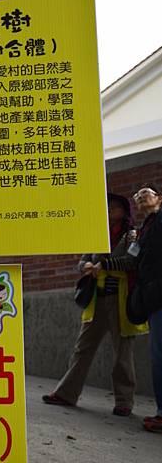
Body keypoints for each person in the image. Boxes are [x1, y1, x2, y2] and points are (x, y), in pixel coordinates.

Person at [42, 193, 147, 415]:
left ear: (124, 211)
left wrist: (105, 265)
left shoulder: (132, 235)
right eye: (108, 207)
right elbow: (81, 261)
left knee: (123, 352)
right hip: (96, 299)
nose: (110, 210)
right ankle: (66, 393)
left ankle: (124, 402)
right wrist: (86, 266)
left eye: (115, 207)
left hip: (120, 299)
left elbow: (132, 261)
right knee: (83, 347)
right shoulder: (98, 234)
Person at [101, 184, 162, 432]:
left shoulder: (153, 224)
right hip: (151, 299)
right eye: (137, 196)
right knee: (158, 356)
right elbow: (133, 259)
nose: (140, 197)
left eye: (146, 193)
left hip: (155, 295)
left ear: (159, 198)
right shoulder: (143, 230)